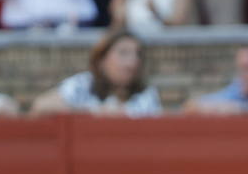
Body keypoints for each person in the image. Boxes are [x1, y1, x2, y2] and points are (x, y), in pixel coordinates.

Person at [32, 29, 162, 115]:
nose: (133, 61)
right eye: (123, 53)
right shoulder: (83, 84)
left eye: (138, 55)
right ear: (102, 60)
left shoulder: (146, 93)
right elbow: (40, 106)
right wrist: (95, 112)